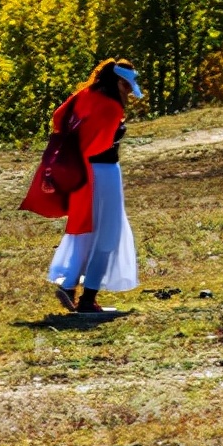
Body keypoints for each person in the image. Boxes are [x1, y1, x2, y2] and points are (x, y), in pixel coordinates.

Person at [45, 59, 143, 313]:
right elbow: (99, 145)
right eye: (128, 85)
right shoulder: (111, 107)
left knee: (85, 232)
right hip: (104, 172)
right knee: (108, 235)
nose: (131, 91)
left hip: (81, 173)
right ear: (119, 82)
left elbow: (59, 117)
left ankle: (68, 286)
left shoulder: (84, 95)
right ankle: (88, 299)